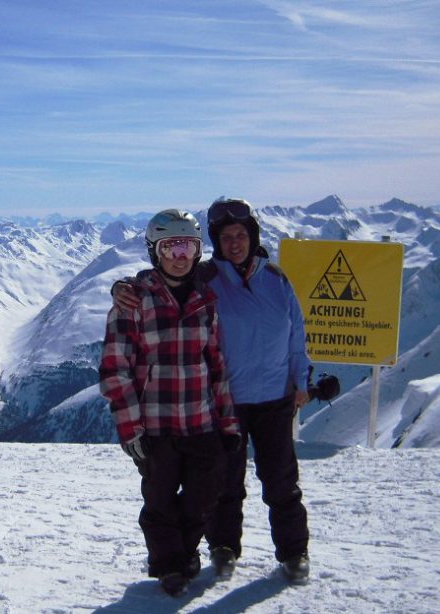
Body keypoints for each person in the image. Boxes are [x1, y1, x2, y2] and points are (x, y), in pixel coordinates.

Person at [112, 197, 312, 584]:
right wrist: (123, 287)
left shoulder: (277, 279)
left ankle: (293, 550)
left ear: (252, 237)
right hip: (226, 400)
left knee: (282, 480)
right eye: (226, 237)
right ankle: (224, 546)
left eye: (240, 235)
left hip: (275, 396)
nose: (234, 243)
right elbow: (163, 280)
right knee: (225, 483)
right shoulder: (205, 278)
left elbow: (296, 335)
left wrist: (301, 380)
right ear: (216, 243)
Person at [99, 209, 240, 597]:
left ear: (198, 251)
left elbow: (216, 365)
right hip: (154, 423)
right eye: (170, 247)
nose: (180, 256)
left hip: (200, 419)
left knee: (204, 494)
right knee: (159, 499)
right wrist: (131, 429)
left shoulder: (204, 300)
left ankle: (185, 552)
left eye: (188, 247)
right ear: (155, 252)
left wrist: (228, 423)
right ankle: (170, 566)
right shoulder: (133, 302)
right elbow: (115, 369)